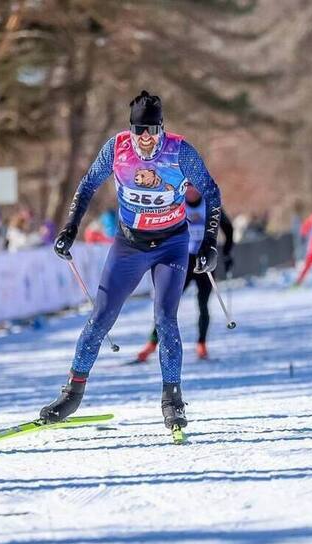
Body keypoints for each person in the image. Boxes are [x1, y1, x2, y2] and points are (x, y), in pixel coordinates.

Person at [40, 90, 222, 433]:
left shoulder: (180, 151)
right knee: (100, 319)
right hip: (129, 244)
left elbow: (211, 192)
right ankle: (72, 393)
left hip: (171, 244)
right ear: (131, 129)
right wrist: (70, 228)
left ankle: (172, 399)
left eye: (152, 131)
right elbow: (87, 185)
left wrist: (210, 243)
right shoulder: (117, 148)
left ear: (162, 128)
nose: (146, 139)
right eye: (140, 131)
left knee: (165, 319)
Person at [136, 185, 234, 362]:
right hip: (183, 261)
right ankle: (152, 344)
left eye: (194, 187)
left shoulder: (210, 205)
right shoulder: (177, 204)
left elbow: (228, 228)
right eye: (187, 188)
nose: (191, 191)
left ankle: (202, 344)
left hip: (204, 260)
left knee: (203, 304)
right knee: (168, 303)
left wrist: (227, 253)